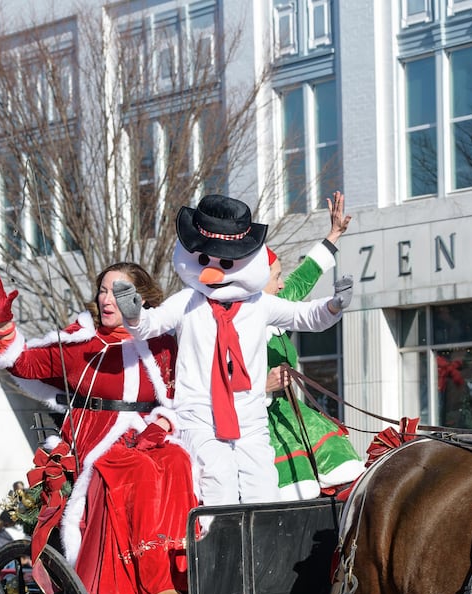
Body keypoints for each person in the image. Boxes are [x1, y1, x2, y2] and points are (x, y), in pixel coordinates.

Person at [0, 263, 198, 594]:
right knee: (134, 468)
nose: (107, 299)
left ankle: (180, 575)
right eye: (103, 290)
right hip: (95, 437)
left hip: (151, 432)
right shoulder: (82, 341)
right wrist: (4, 326)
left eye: (119, 291)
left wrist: (163, 422)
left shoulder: (161, 342)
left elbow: (181, 397)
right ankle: (149, 584)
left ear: (142, 298)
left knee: (178, 463)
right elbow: (21, 362)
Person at [120, 194, 352, 507]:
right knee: (218, 475)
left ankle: (264, 550)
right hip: (199, 413)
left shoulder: (259, 304)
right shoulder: (187, 302)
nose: (212, 273)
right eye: (205, 260)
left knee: (264, 484)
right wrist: (134, 315)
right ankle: (219, 545)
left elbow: (304, 315)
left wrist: (333, 306)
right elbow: (150, 325)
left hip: (250, 415)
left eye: (226, 263)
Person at [265, 192, 367, 499]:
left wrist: (334, 235)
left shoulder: (277, 304)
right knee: (299, 484)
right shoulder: (231, 323)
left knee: (344, 461)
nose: (282, 284)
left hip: (291, 409)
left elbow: (304, 278)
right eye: (276, 277)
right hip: (255, 421)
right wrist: (262, 386)